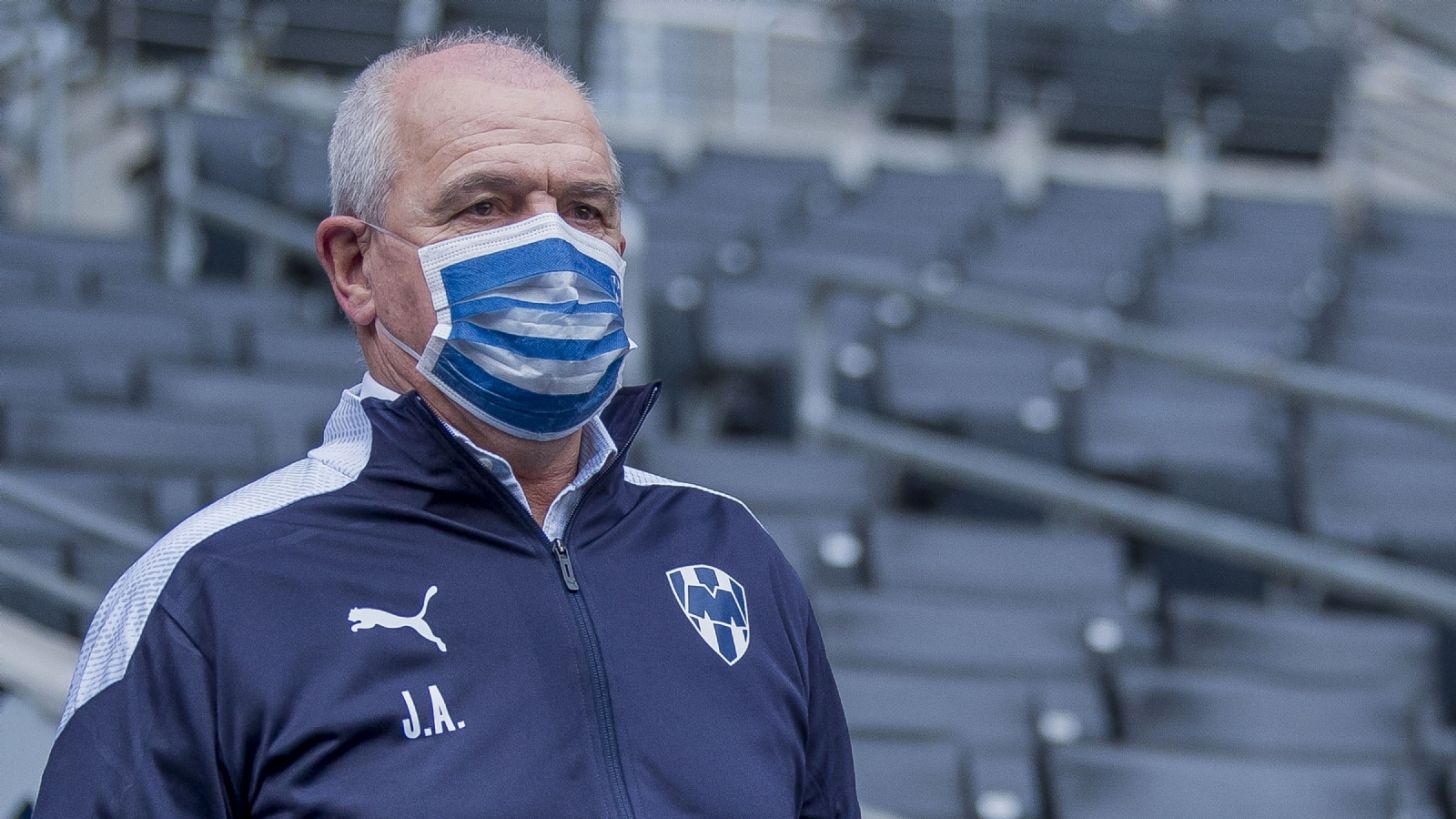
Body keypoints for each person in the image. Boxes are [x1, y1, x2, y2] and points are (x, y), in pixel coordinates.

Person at [33, 29, 858, 818]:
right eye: (485, 206)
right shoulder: (210, 591)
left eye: (585, 210)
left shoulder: (733, 554)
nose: (553, 250)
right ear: (354, 267)